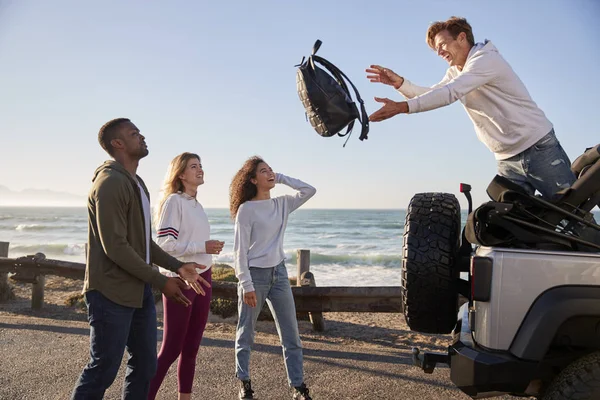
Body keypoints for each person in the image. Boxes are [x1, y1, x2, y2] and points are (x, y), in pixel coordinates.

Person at [71, 118, 211, 400]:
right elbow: (116, 247)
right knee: (103, 369)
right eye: (134, 134)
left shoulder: (137, 184)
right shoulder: (110, 183)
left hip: (139, 293)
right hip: (110, 292)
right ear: (117, 144)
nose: (142, 136)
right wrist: (162, 281)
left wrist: (177, 267)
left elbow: (144, 244)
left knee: (145, 366)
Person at [366, 16, 576, 200]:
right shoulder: (456, 72)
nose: (439, 52)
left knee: (573, 216)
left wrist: (402, 108)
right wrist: (400, 84)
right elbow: (433, 93)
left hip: (538, 148)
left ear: (462, 37)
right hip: (506, 160)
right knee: (512, 230)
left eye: (441, 44)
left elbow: (450, 93)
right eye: (435, 49)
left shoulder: (486, 59)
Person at [230, 156, 316, 400]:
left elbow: (309, 190)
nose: (269, 173)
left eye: (271, 170)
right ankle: (244, 382)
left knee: (291, 334)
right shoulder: (246, 210)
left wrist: (281, 178)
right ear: (252, 179)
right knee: (246, 332)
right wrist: (245, 284)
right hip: (254, 276)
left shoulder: (282, 203)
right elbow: (239, 251)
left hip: (279, 274)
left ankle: (298, 387)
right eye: (263, 171)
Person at [148, 152, 224, 400]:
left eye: (201, 165)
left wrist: (205, 251)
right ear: (181, 174)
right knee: (171, 349)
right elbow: (164, 244)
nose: (200, 169)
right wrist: (202, 246)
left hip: (205, 276)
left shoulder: (197, 205)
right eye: (193, 166)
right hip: (182, 280)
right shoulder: (174, 201)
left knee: (191, 348)